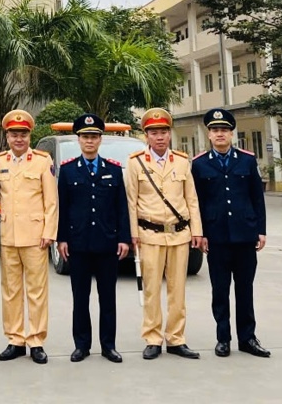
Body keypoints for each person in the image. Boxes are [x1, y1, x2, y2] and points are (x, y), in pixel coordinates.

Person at [191, 108, 270, 358]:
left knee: (245, 290)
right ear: (209, 134)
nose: (220, 134)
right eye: (215, 130)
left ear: (231, 133)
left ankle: (247, 338)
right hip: (217, 238)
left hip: (245, 236)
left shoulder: (247, 160)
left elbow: (257, 198)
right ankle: (223, 338)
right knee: (220, 291)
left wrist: (261, 230)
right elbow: (197, 203)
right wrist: (200, 233)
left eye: (224, 130)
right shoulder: (199, 164)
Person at [125, 108, 203, 360]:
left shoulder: (181, 161)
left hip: (179, 235)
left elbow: (191, 199)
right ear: (146, 135)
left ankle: (176, 338)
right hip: (150, 235)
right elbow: (131, 201)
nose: (159, 137)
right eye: (154, 133)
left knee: (177, 290)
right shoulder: (135, 162)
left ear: (170, 134)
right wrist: (133, 234)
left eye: (164, 132)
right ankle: (153, 338)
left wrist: (197, 231)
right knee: (151, 290)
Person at [56, 114, 130, 363]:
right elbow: (63, 209)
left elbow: (122, 207)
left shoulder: (114, 169)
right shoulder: (67, 170)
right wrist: (62, 239)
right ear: (78, 139)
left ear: (100, 140)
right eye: (85, 137)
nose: (89, 141)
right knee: (80, 297)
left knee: (107, 297)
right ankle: (82, 345)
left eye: (94, 137)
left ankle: (108, 345)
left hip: (107, 243)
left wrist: (124, 238)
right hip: (78, 244)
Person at [0, 110, 58, 365]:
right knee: (10, 291)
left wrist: (49, 232)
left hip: (35, 237)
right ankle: (15, 339)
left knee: (37, 291)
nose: (19, 139)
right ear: (7, 136)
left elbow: (51, 201)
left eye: (23, 134)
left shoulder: (42, 161)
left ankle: (36, 340)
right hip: (7, 236)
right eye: (14, 134)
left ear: (30, 135)